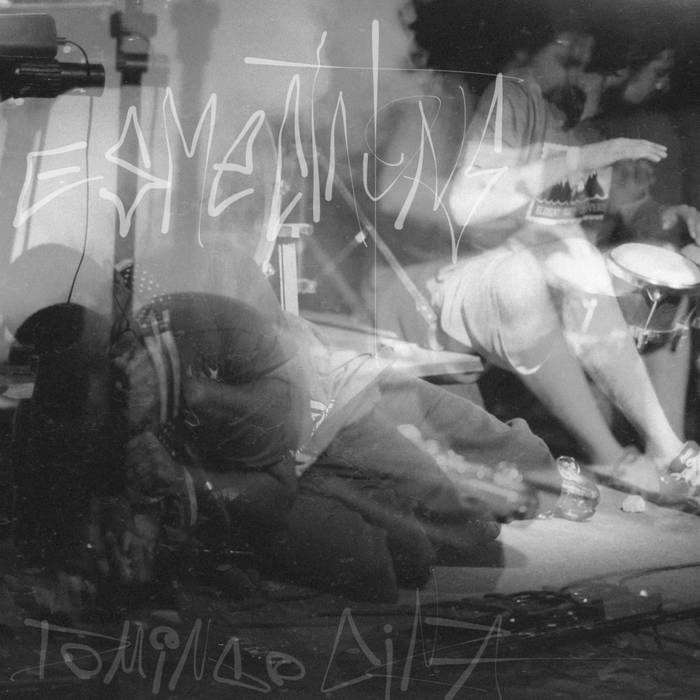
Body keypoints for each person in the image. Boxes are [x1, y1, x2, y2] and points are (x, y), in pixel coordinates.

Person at [6, 242, 552, 604]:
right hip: (279, 459)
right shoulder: (82, 380)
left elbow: (264, 348)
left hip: (330, 398)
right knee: (412, 554)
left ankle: (523, 471)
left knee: (492, 497)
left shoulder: (176, 286)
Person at [371, 10, 700, 501]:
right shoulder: (515, 98)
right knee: (548, 264)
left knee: (668, 276)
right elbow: (467, 202)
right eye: (658, 71)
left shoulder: (602, 131)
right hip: (461, 281)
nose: (661, 85)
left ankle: (669, 456)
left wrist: (669, 221)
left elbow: (628, 216)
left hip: (553, 287)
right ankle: (611, 457)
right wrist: (580, 161)